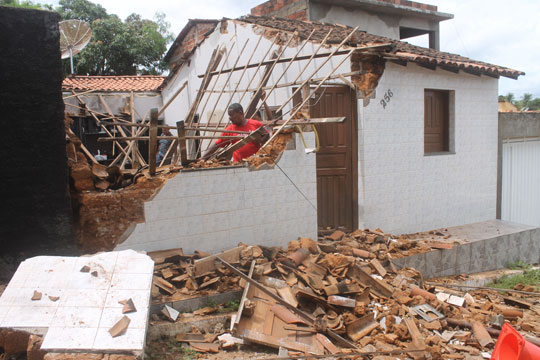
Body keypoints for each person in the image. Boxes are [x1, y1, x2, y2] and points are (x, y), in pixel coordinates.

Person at [202, 103, 269, 162]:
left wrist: (261, 141)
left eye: (231, 115)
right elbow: (216, 145)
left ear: (240, 113)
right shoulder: (230, 129)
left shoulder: (255, 124)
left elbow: (267, 135)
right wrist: (202, 158)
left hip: (255, 162)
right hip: (239, 165)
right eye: (229, 115)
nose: (230, 118)